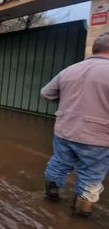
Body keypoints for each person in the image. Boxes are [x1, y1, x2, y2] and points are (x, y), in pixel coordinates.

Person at [41, 32, 109, 217]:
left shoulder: (70, 69)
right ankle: (80, 216)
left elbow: (46, 93)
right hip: (98, 137)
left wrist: (69, 105)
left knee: (59, 163)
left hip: (65, 130)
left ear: (95, 49)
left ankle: (51, 196)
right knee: (91, 175)